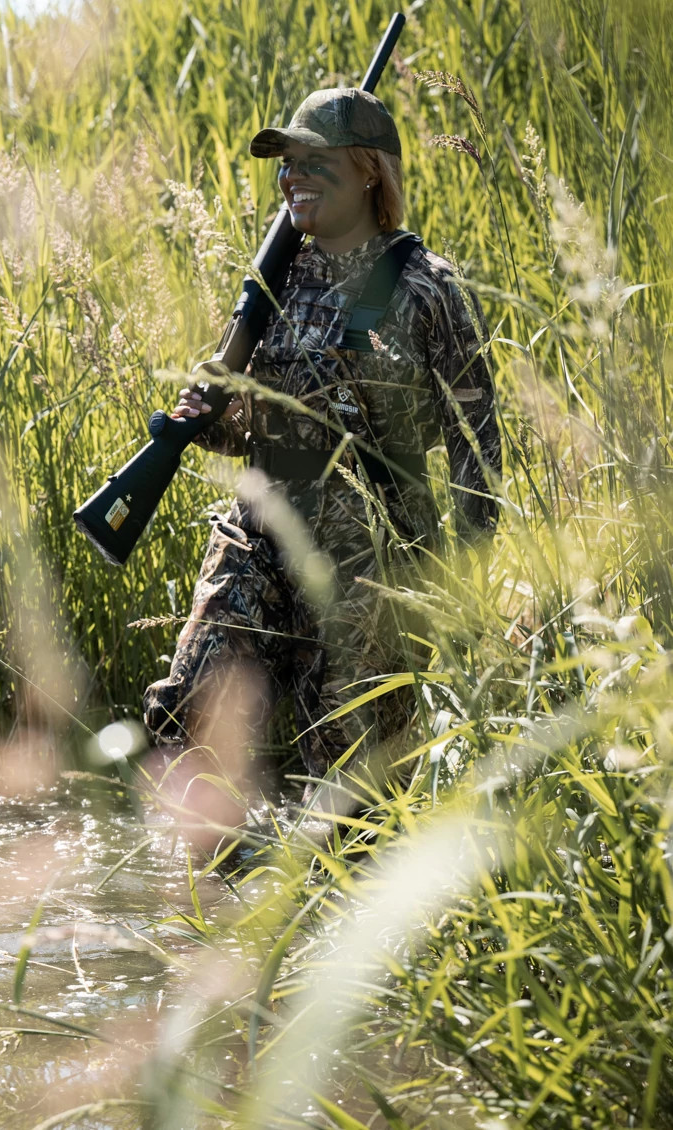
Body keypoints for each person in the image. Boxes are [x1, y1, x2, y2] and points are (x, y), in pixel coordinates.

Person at [144, 88, 500, 813]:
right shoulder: (273, 280)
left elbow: (475, 444)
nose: (291, 178)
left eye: (314, 162)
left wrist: (467, 577)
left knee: (350, 790)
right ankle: (202, 911)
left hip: (373, 560)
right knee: (190, 726)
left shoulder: (424, 287)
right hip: (258, 536)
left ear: (368, 171)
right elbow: (253, 426)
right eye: (286, 164)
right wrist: (202, 417)